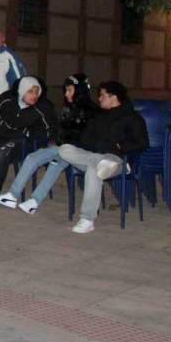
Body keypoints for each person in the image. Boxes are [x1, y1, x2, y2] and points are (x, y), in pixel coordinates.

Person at [0, 73, 95, 213]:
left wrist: (66, 141)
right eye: (66, 90)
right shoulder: (70, 107)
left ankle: (30, 200)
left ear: (80, 91)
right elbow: (62, 130)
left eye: (70, 90)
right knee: (35, 158)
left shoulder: (91, 111)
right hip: (63, 148)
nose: (66, 94)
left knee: (51, 163)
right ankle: (16, 197)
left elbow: (86, 138)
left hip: (79, 152)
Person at [60, 81, 149, 234]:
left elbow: (142, 143)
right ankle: (100, 162)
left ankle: (87, 219)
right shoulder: (98, 116)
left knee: (93, 170)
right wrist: (100, 148)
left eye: (102, 95)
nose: (99, 98)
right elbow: (84, 140)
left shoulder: (132, 118)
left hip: (118, 161)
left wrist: (120, 146)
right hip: (95, 157)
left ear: (113, 97)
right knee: (64, 149)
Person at [0, 75, 54, 209]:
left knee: (1, 154)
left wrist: (31, 135)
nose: (34, 95)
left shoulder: (42, 107)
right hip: (1, 137)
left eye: (36, 92)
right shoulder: (8, 98)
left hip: (23, 144)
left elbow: (50, 130)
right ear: (22, 90)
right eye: (30, 91)